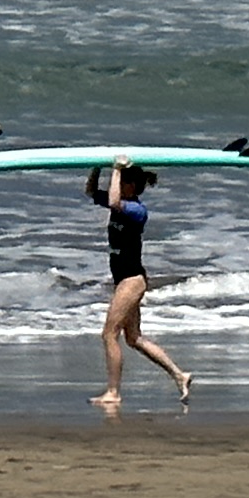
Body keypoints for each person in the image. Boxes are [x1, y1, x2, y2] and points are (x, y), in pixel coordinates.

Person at [85, 161, 192, 411]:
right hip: (124, 279)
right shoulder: (120, 203)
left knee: (109, 334)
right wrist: (96, 167)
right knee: (133, 338)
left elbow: (114, 202)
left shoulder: (136, 210)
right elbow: (91, 192)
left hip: (131, 280)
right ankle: (180, 375)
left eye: (122, 182)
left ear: (131, 186)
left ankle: (113, 393)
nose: (116, 185)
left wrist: (116, 169)